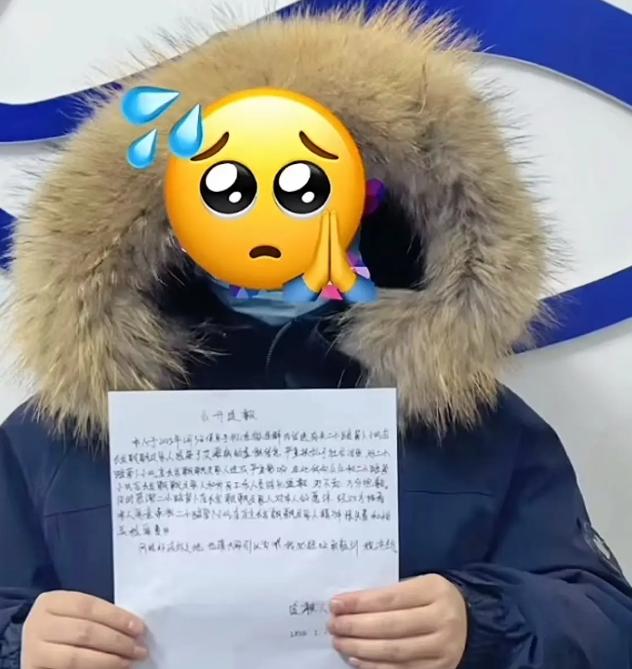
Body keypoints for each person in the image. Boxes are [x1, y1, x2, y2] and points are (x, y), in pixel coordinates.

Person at [2, 8, 632, 669]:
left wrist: (480, 623)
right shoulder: (54, 438)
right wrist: (22, 642)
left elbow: (607, 625)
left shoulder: (474, 423)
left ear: (371, 199)